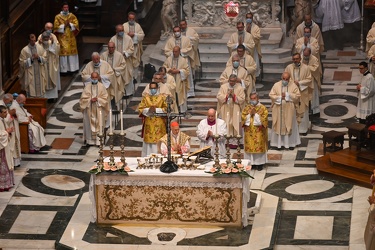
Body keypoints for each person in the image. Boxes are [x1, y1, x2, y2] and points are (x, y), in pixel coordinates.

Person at [269, 72, 301, 150]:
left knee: (289, 125)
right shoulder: (276, 85)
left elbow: (297, 96)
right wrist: (280, 97)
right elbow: (271, 95)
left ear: (289, 79)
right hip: (278, 109)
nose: (285, 80)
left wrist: (287, 95)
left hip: (289, 110)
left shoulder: (293, 85)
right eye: (283, 78)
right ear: (281, 77)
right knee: (278, 125)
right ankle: (278, 144)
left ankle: (290, 144)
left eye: (287, 79)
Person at [285, 53, 313, 135]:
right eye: (294, 59)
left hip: (302, 92)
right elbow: (285, 77)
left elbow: (309, 79)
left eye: (297, 59)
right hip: (292, 93)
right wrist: (293, 83)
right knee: (293, 111)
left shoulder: (306, 68)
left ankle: (303, 129)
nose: (295, 60)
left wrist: (299, 83)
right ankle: (293, 128)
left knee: (303, 110)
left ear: (300, 58)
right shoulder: (288, 67)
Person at [138, 82, 167, 157]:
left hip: (159, 123)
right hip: (149, 123)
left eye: (154, 88)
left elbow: (167, 109)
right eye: (151, 88)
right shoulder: (146, 98)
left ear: (157, 88)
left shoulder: (162, 97)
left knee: (159, 141)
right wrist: (148, 110)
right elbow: (141, 108)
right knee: (149, 143)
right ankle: (147, 157)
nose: (153, 90)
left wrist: (156, 110)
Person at [79, 72, 109, 146]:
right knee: (88, 124)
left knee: (99, 124)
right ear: (91, 78)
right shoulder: (87, 87)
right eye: (93, 78)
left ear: (98, 78)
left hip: (99, 108)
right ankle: (90, 141)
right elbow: (82, 99)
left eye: (96, 78)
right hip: (89, 108)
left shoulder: (102, 87)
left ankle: (99, 141)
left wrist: (98, 99)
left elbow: (105, 98)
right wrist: (89, 100)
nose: (94, 79)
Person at [164, 26, 195, 98]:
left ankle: (188, 93)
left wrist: (180, 52)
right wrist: (173, 53)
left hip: (184, 60)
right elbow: (166, 51)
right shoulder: (170, 41)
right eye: (175, 31)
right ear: (173, 32)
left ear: (180, 31)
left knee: (187, 75)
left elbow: (189, 48)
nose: (176, 33)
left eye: (178, 31)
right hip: (172, 60)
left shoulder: (186, 39)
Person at [217, 74, 246, 148]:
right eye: (230, 81)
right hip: (225, 108)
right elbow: (219, 96)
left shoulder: (240, 88)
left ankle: (236, 142)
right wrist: (226, 96)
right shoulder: (223, 87)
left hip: (235, 108)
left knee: (235, 124)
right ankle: (226, 141)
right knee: (226, 124)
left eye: (233, 81)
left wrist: (234, 96)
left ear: (236, 81)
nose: (231, 83)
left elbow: (242, 99)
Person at [242, 92, 268, 171]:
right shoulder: (247, 108)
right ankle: (251, 163)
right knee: (249, 147)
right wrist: (250, 114)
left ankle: (259, 163)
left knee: (258, 146)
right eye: (251, 99)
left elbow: (264, 120)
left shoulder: (263, 108)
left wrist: (255, 115)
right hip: (249, 131)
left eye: (254, 98)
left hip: (259, 132)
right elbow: (243, 118)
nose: (253, 100)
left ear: (258, 98)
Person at [109, 24, 135, 97]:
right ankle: (119, 93)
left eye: (122, 30)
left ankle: (128, 93)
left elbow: (131, 49)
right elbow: (110, 49)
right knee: (118, 77)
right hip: (117, 63)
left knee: (127, 76)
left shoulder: (128, 38)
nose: (121, 32)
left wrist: (125, 53)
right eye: (119, 31)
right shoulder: (112, 39)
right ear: (116, 31)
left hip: (126, 61)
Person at [163, 46, 190, 113]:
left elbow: (187, 71)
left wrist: (179, 71)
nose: (174, 53)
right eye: (173, 51)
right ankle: (172, 109)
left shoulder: (183, 60)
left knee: (179, 94)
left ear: (179, 51)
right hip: (170, 80)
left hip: (179, 80)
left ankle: (181, 109)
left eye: (176, 51)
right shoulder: (169, 59)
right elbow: (163, 68)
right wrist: (170, 70)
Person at [53, 2, 79, 73]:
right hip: (62, 37)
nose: (66, 9)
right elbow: (55, 27)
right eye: (64, 7)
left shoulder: (72, 16)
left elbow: (76, 25)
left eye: (67, 7)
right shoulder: (58, 17)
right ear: (62, 8)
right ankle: (64, 70)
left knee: (71, 53)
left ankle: (72, 69)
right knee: (63, 53)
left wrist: (70, 24)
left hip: (71, 37)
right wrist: (64, 25)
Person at [100, 42, 127, 108]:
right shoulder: (103, 55)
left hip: (115, 77)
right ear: (107, 48)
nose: (111, 49)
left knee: (115, 91)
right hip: (105, 77)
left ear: (114, 48)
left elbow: (123, 65)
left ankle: (114, 104)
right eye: (109, 47)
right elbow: (100, 65)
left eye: (112, 47)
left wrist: (115, 69)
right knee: (106, 91)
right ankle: (106, 105)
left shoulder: (119, 55)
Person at [39, 31, 61, 101]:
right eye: (44, 39)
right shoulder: (39, 43)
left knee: (51, 79)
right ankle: (44, 97)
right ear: (42, 38)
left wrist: (52, 42)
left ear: (48, 38)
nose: (46, 40)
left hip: (51, 63)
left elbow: (56, 50)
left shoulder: (52, 41)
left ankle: (52, 97)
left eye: (47, 39)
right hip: (43, 65)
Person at [1, 94, 21, 165]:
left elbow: (13, 114)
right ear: (6, 100)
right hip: (5, 130)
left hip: (11, 128)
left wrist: (14, 114)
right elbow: (3, 119)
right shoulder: (1, 105)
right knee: (9, 147)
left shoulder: (8, 105)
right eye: (10, 101)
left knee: (14, 144)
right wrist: (10, 114)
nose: (11, 103)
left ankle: (14, 163)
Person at [302, 47, 322, 115]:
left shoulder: (314, 59)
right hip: (304, 80)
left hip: (312, 80)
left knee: (313, 95)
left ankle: (314, 109)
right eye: (304, 55)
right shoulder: (301, 58)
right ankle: (306, 109)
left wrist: (306, 67)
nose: (305, 57)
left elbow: (315, 69)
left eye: (307, 55)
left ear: (310, 54)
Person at [0, 105, 15, 192]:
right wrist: (7, 132)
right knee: (3, 165)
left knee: (7, 164)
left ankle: (7, 183)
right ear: (0, 113)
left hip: (5, 147)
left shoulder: (2, 120)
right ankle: (3, 185)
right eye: (5, 112)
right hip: (2, 149)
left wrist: (8, 131)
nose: (6, 114)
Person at [245, 13, 262, 77]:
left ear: (252, 19)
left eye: (250, 18)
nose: (249, 19)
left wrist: (249, 33)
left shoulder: (256, 27)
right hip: (245, 48)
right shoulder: (243, 26)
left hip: (253, 48)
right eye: (247, 18)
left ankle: (254, 76)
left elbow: (257, 38)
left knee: (254, 62)